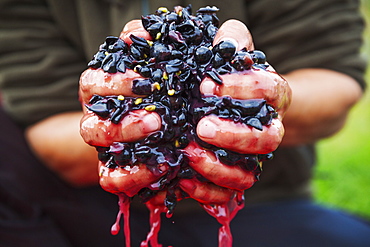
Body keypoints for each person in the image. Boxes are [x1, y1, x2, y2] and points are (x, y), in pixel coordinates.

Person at [0, 0, 369, 246]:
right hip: (92, 212)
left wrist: (260, 100)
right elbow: (45, 126)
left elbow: (334, 78)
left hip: (259, 205)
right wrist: (143, 133)